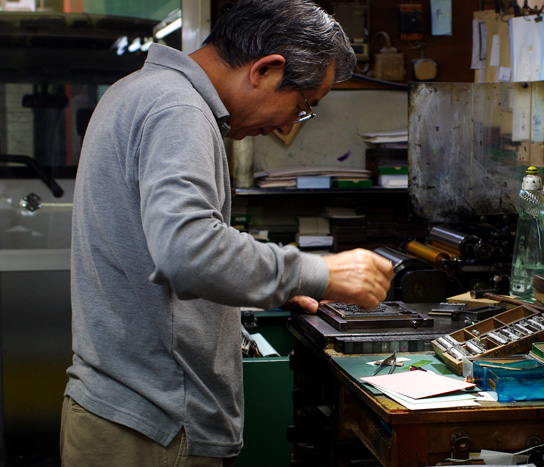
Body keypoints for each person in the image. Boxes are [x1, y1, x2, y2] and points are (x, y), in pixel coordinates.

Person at [60, 0, 394, 464]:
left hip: (126, 412)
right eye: (301, 106)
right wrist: (317, 271)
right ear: (267, 69)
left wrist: (266, 287)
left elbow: (153, 251)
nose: (284, 125)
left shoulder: (139, 90)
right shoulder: (178, 109)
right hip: (155, 427)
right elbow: (187, 250)